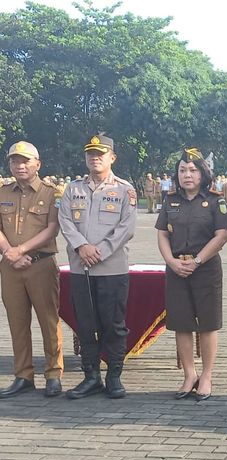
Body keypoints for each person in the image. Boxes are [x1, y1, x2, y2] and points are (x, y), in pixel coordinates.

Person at [58, 134, 137, 399]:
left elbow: (126, 227)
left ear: (112, 157)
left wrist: (100, 251)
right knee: (85, 323)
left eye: (100, 154)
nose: (95, 158)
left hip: (112, 268)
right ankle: (90, 376)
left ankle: (114, 375)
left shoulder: (125, 190)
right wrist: (82, 247)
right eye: (91, 154)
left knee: (114, 323)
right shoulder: (73, 189)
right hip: (81, 268)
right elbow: (65, 221)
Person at [156, 148, 227, 402]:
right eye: (182, 170)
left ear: (203, 173)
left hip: (206, 268)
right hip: (176, 268)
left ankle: (207, 376)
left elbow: (221, 236)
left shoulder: (215, 200)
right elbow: (162, 233)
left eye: (193, 170)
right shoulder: (170, 200)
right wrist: (170, 261)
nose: (187, 175)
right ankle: (189, 374)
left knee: (208, 324)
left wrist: (197, 261)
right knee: (181, 323)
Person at [0, 141, 64, 398]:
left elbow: (52, 228)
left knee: (49, 320)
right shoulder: (3, 192)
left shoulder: (51, 193)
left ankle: (53, 373)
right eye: (15, 161)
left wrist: (21, 250)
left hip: (41, 264)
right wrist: (9, 252)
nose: (20, 165)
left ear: (38, 164)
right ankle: (23, 374)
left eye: (25, 161)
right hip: (10, 266)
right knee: (17, 322)